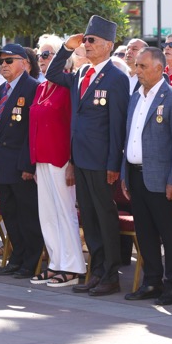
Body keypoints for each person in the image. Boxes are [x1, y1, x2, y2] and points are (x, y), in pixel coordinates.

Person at [46, 16, 130, 296]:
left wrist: (113, 164)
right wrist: (66, 48)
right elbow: (53, 74)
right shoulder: (83, 73)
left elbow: (117, 125)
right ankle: (97, 271)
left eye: (92, 40)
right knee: (90, 218)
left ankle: (111, 274)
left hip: (102, 161)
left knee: (105, 217)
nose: (87, 44)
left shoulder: (117, 78)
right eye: (86, 40)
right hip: (81, 158)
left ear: (109, 45)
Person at [122, 47, 172, 305]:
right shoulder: (135, 97)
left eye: (143, 66)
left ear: (159, 69)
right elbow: (129, 137)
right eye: (137, 65)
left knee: (168, 234)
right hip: (136, 175)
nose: (137, 70)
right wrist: (125, 172)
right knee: (145, 233)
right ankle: (151, 282)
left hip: (161, 179)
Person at [29, 39, 84, 287]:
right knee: (48, 215)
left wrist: (72, 161)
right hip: (41, 158)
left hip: (61, 158)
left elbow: (73, 127)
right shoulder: (41, 88)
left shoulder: (68, 87)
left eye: (47, 54)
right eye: (40, 55)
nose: (41, 59)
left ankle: (72, 267)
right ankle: (56, 263)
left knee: (64, 212)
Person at [0, 44, 43, 279]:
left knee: (27, 215)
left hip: (21, 163)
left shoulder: (33, 88)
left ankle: (30, 262)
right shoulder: (2, 89)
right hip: (3, 161)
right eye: (0, 61)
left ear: (24, 63)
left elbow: (33, 131)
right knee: (10, 214)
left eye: (9, 61)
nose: (3, 65)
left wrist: (28, 165)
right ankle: (17, 257)